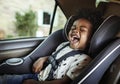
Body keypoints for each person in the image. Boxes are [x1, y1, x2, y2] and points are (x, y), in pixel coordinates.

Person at [0, 9, 102, 84]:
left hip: (44, 82)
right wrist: (43, 59)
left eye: (82, 30)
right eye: (73, 28)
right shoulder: (64, 45)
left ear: (90, 39)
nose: (75, 30)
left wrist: (35, 83)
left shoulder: (84, 60)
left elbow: (63, 82)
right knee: (4, 79)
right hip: (38, 76)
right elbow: (56, 58)